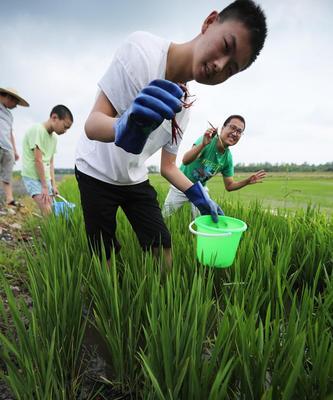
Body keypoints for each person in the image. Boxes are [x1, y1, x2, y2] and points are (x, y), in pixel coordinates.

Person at [75, 0, 267, 267]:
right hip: (94, 171)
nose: (220, 65)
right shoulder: (141, 51)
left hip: (133, 179)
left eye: (231, 68)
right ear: (210, 22)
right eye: (226, 46)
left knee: (163, 248)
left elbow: (168, 167)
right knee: (104, 253)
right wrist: (122, 127)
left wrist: (198, 195)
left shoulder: (183, 108)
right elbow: (92, 125)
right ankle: (108, 305)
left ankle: (158, 305)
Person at [163, 115, 267, 217]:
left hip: (200, 189)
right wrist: (203, 144)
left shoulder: (228, 159)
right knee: (165, 216)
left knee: (204, 221)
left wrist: (247, 181)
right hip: (180, 184)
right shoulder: (208, 140)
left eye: (239, 131)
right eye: (232, 127)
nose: (235, 133)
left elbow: (229, 186)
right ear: (222, 128)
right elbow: (185, 160)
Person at [21, 105, 73, 215]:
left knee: (51, 211)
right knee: (47, 210)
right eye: (65, 126)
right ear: (54, 117)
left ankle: (47, 231)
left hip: (45, 178)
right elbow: (38, 160)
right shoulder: (37, 130)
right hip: (32, 176)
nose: (65, 131)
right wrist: (44, 186)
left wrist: (53, 185)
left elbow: (50, 162)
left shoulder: (54, 138)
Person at [0, 87, 29, 207]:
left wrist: (15, 150)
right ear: (8, 98)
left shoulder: (10, 116)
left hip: (7, 148)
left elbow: (10, 132)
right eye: (15, 103)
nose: (16, 106)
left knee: (7, 175)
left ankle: (10, 200)